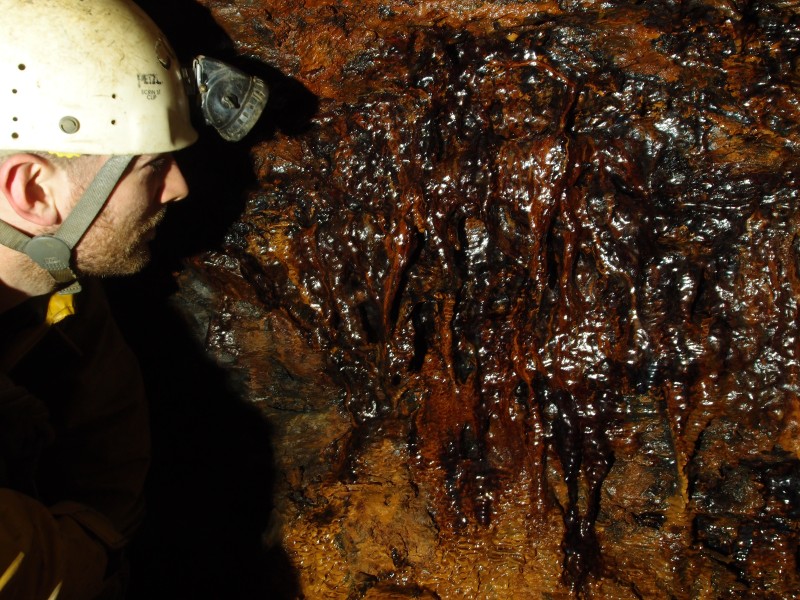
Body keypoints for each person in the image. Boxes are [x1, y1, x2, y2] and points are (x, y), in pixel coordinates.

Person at [0, 1, 266, 598]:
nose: (180, 187)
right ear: (33, 190)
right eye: (152, 166)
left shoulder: (55, 284)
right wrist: (88, 554)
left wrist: (105, 536)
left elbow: (109, 424)